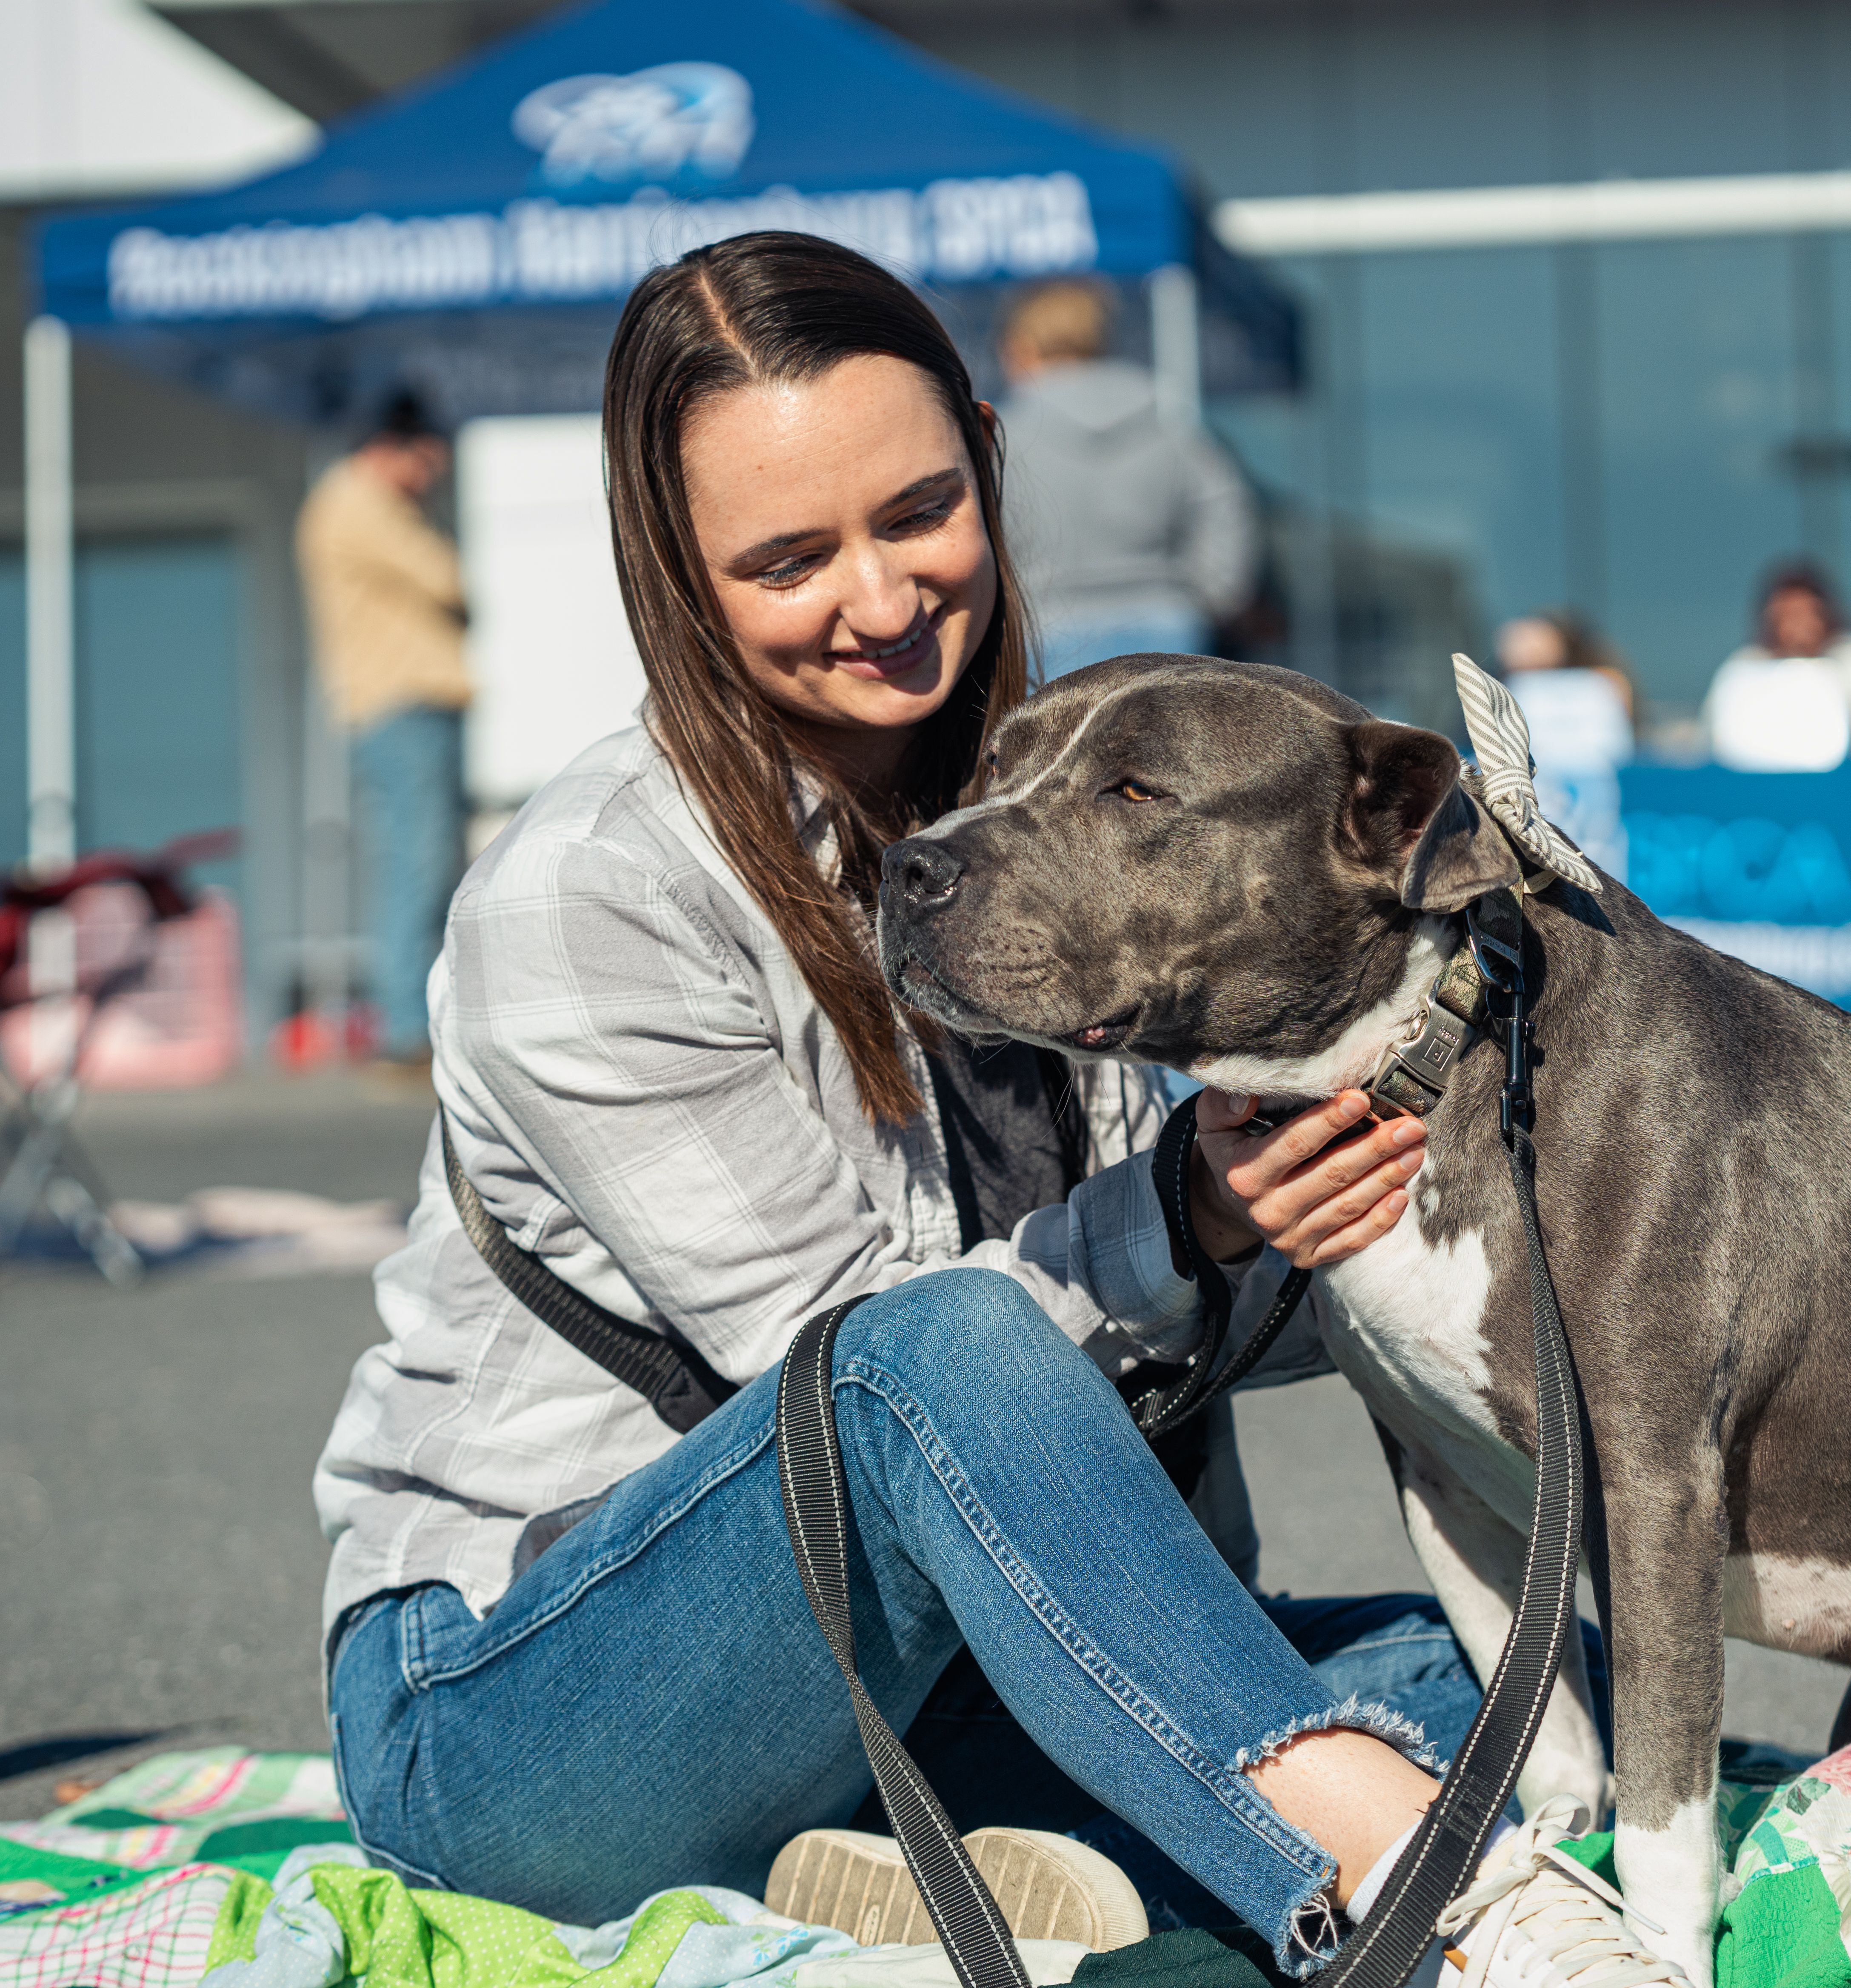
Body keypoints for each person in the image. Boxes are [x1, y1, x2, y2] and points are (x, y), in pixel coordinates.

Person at [315, 233, 1668, 1988]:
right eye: (789, 559)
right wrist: (1185, 1215)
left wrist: (1431, 1176)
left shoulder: (1049, 804)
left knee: (1488, 1674)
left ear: (986, 453)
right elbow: (876, 1384)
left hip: (915, 1671)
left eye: (917, 511)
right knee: (928, 1359)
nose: (880, 601)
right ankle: (1446, 1909)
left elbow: (1181, 1305)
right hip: (525, 1710)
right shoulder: (584, 896)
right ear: (674, 569)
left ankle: (921, 1863)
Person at [295, 391, 472, 1068]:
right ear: (395, 447)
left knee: (425, 864)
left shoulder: (365, 503)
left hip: (412, 710)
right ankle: (405, 1032)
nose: (433, 476)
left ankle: (415, 1024)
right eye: (428, 461)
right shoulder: (359, 502)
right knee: (418, 866)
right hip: (402, 710)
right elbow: (447, 578)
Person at [996, 279, 1258, 679]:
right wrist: (1212, 598)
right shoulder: (1169, 425)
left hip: (1043, 626)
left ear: (1024, 348)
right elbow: (1224, 504)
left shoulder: (1007, 433)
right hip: (1165, 623)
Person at [1701, 558, 1851, 772]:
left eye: (1807, 613)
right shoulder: (1746, 666)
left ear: (1826, 614)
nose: (1799, 626)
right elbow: (1712, 741)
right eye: (1788, 616)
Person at [1494, 612, 1640, 880]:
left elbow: (1616, 746)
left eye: (1531, 640)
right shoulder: (1508, 689)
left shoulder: (1600, 684)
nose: (1519, 649)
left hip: (1591, 809)